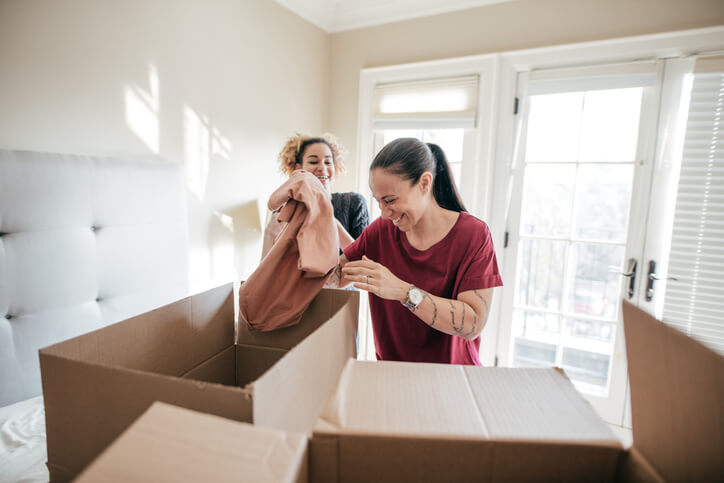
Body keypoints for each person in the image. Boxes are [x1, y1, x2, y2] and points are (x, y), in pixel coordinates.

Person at [337, 138, 503, 365]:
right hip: (393, 375)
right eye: (379, 202)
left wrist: (404, 292)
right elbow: (335, 275)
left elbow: (473, 324)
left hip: (453, 378)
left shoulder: (473, 235)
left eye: (390, 200)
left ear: (425, 183)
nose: (385, 213)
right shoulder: (380, 232)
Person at [262, 133, 370, 258]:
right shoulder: (286, 210)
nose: (322, 167)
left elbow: (363, 258)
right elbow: (273, 261)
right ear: (298, 168)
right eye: (313, 161)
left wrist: (323, 212)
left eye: (328, 162)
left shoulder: (353, 203)